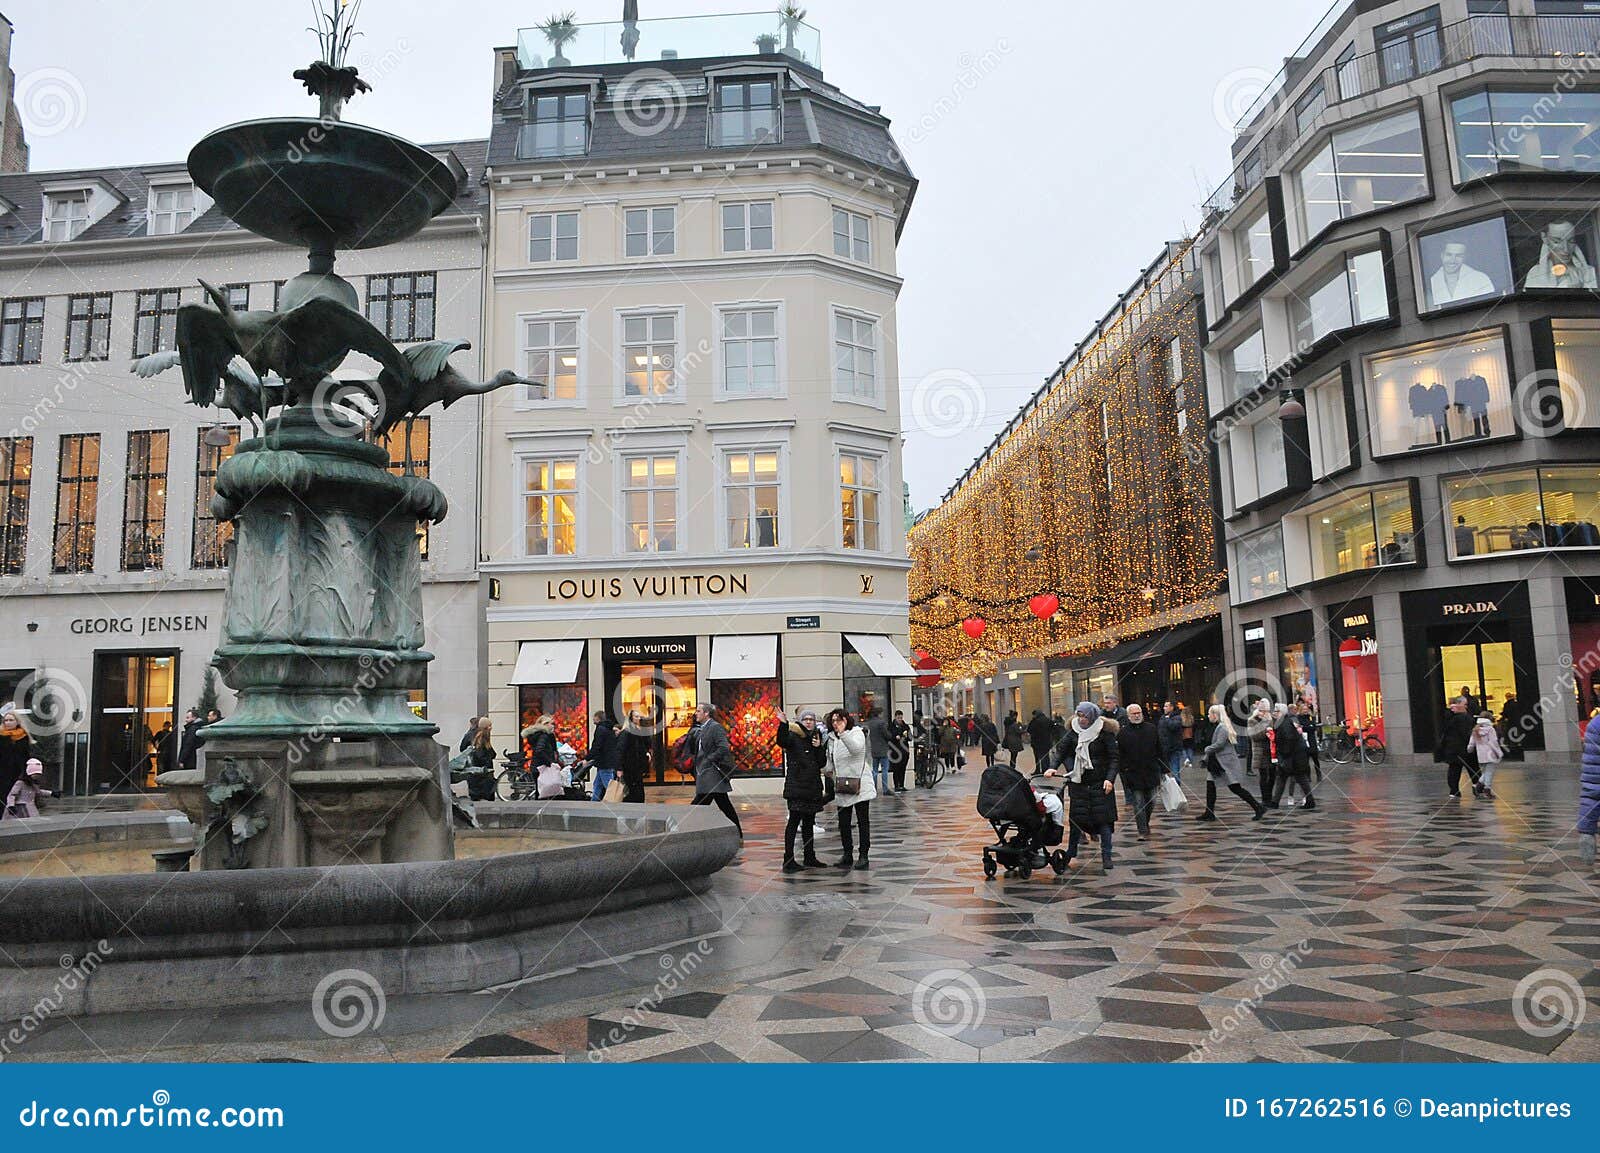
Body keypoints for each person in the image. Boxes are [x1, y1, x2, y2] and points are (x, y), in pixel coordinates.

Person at [1043, 701, 1120, 872]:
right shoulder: (1073, 732)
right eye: (1079, 715)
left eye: (1084, 716)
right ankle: (1071, 852)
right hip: (1079, 782)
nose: (1081, 719)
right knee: (1077, 819)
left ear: (1092, 716)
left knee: (1104, 821)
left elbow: (1114, 758)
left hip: (1101, 783)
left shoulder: (1104, 733)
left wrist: (1110, 779)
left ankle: (1106, 856)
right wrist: (1052, 767)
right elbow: (1061, 751)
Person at [823, 707, 875, 869]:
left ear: (846, 720)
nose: (836, 723)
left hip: (859, 783)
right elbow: (830, 762)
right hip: (842, 785)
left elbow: (856, 749)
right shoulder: (832, 739)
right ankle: (847, 853)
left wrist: (843, 733)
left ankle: (864, 854)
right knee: (844, 823)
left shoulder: (856, 733)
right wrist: (827, 770)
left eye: (839, 720)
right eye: (833, 721)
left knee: (862, 821)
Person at [776, 709, 828, 872]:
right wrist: (783, 724)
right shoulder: (794, 736)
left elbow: (821, 763)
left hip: (812, 787)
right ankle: (788, 859)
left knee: (808, 823)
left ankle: (809, 856)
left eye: (811, 719)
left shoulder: (816, 737)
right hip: (797, 787)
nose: (808, 722)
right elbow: (782, 740)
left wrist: (819, 748)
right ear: (799, 721)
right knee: (793, 822)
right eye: (805, 719)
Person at [1197, 705, 1266, 822]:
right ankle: (1209, 813)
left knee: (1235, 788)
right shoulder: (1217, 726)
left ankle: (1258, 807)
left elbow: (1219, 744)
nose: (1208, 716)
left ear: (1215, 715)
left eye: (1210, 714)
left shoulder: (1222, 728)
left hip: (1225, 764)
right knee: (1210, 787)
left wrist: (1207, 749)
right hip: (1217, 763)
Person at [690, 703, 741, 837]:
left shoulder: (715, 727)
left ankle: (685, 829)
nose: (696, 713)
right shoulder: (701, 728)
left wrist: (709, 759)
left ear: (706, 713)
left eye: (698, 711)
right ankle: (737, 833)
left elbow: (723, 747)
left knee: (698, 805)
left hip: (712, 773)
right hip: (705, 772)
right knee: (723, 804)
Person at [1117, 703, 1165, 838]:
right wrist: (1123, 770)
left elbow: (1159, 748)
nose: (1137, 715)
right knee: (1138, 803)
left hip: (1151, 771)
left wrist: (1164, 768)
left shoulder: (1151, 729)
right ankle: (1142, 830)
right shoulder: (1123, 733)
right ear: (1128, 716)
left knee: (1151, 801)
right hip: (1133, 773)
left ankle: (1146, 822)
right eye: (1134, 713)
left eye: (1139, 713)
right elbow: (1120, 754)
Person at [1269, 703, 1316, 810]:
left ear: (1281, 712)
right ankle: (1275, 801)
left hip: (1293, 757)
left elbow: (1289, 740)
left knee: (1297, 777)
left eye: (1276, 711)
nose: (1274, 713)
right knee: (1285, 778)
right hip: (1294, 756)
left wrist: (1284, 756)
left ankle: (1309, 801)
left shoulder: (1284, 723)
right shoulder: (1285, 721)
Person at [1435, 696, 1482, 799]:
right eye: (1465, 704)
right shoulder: (1464, 718)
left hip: (1453, 749)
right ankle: (1478, 787)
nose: (1466, 706)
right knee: (1473, 768)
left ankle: (1454, 791)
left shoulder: (1449, 717)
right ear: (1459, 705)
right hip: (1464, 749)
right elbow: (1467, 734)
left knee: (1454, 770)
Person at [1247, 699, 1278, 805]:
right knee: (1264, 775)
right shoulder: (1252, 720)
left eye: (1265, 711)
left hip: (1271, 751)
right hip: (1260, 752)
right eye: (1261, 710)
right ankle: (1265, 799)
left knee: (1273, 774)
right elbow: (1254, 736)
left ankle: (1269, 795)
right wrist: (1266, 731)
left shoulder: (1271, 719)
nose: (1263, 713)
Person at [0, 710, 32, 809]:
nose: (8, 722)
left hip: (18, 774)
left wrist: (26, 775)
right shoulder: (1, 736)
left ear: (17, 721)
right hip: (2, 773)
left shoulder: (23, 737)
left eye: (11, 720)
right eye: (6, 720)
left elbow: (26, 756)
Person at [1468, 712, 1502, 800]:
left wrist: (1469, 750)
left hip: (1481, 755)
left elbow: (1472, 743)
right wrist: (1498, 753)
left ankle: (1477, 786)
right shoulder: (1490, 729)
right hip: (1490, 753)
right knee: (1489, 773)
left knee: (1485, 772)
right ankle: (1487, 791)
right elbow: (1493, 742)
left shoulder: (1475, 729)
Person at [587, 710, 620, 802]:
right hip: (607, 761)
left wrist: (588, 758)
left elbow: (597, 745)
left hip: (604, 762)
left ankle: (615, 802)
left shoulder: (600, 729)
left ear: (598, 718)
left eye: (594, 717)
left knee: (608, 785)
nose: (593, 719)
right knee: (597, 784)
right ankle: (594, 802)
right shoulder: (609, 728)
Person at [618, 711, 650, 803]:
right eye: (636, 716)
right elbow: (620, 750)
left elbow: (641, 747)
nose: (638, 718)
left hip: (637, 767)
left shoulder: (638, 731)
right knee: (633, 791)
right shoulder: (626, 733)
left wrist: (646, 754)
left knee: (637, 791)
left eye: (639, 716)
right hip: (629, 767)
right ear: (631, 718)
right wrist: (619, 768)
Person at [465, 717, 498, 802]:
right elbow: (481, 753)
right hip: (482, 769)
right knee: (484, 793)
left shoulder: (476, 734)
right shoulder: (481, 736)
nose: (491, 727)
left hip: (479, 770)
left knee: (479, 793)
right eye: (489, 725)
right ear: (485, 727)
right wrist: (489, 758)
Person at [864, 707, 893, 796]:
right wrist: (890, 736)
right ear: (879, 713)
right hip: (882, 749)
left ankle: (874, 788)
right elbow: (887, 735)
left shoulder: (869, 723)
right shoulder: (881, 723)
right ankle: (885, 789)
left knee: (875, 770)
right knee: (884, 769)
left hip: (873, 749)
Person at [1158, 701, 1186, 784]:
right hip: (1164, 748)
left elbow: (1173, 726)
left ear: (1172, 707)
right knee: (1165, 769)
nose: (1164, 708)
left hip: (1174, 748)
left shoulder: (1177, 717)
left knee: (1175, 768)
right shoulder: (1163, 717)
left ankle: (1177, 785)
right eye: (1164, 706)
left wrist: (1167, 719)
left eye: (1166, 706)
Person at [1294, 700, 1322, 782]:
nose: (1305, 711)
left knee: (1315, 758)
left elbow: (1313, 727)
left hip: (1312, 739)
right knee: (1305, 760)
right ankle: (1308, 776)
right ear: (1301, 710)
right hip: (1304, 740)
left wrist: (1307, 727)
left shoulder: (1311, 717)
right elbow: (1301, 727)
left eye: (1306, 709)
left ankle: (1319, 774)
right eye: (1303, 709)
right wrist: (1307, 726)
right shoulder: (1298, 718)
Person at [888, 709, 912, 792]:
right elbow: (889, 737)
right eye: (898, 718)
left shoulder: (905, 726)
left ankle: (902, 785)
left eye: (901, 718)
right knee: (896, 769)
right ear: (895, 717)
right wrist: (895, 737)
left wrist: (907, 736)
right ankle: (896, 785)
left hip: (904, 751)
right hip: (895, 751)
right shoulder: (891, 726)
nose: (900, 719)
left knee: (903, 768)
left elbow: (910, 737)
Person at [1026, 708, 1054, 773]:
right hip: (1047, 741)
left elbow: (1029, 730)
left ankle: (1038, 770)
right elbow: (1053, 729)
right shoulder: (1048, 720)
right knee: (1045, 757)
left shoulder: (1035, 721)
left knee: (1037, 757)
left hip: (1037, 742)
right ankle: (1046, 770)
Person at [177, 708, 203, 772]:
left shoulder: (192, 729)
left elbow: (188, 745)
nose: (186, 720)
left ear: (194, 718)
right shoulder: (195, 728)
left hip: (189, 759)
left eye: (188, 717)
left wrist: (182, 760)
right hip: (192, 758)